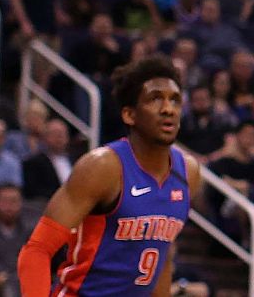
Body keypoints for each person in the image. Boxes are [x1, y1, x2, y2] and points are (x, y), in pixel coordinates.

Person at [18, 57, 204, 296]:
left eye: (175, 100)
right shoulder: (103, 167)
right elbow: (37, 250)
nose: (168, 109)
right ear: (129, 115)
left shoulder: (188, 172)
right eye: (155, 99)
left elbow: (162, 255)